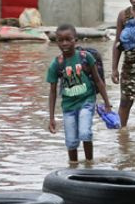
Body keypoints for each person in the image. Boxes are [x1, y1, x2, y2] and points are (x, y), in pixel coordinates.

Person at [46, 24, 112, 162]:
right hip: (68, 106)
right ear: (56, 42)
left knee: (85, 133)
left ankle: (89, 163)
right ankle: (74, 166)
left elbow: (98, 81)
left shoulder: (85, 57)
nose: (65, 43)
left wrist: (107, 103)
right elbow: (52, 92)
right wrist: (51, 117)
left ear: (75, 40)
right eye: (61, 40)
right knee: (71, 142)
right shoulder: (56, 64)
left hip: (86, 101)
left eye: (68, 39)